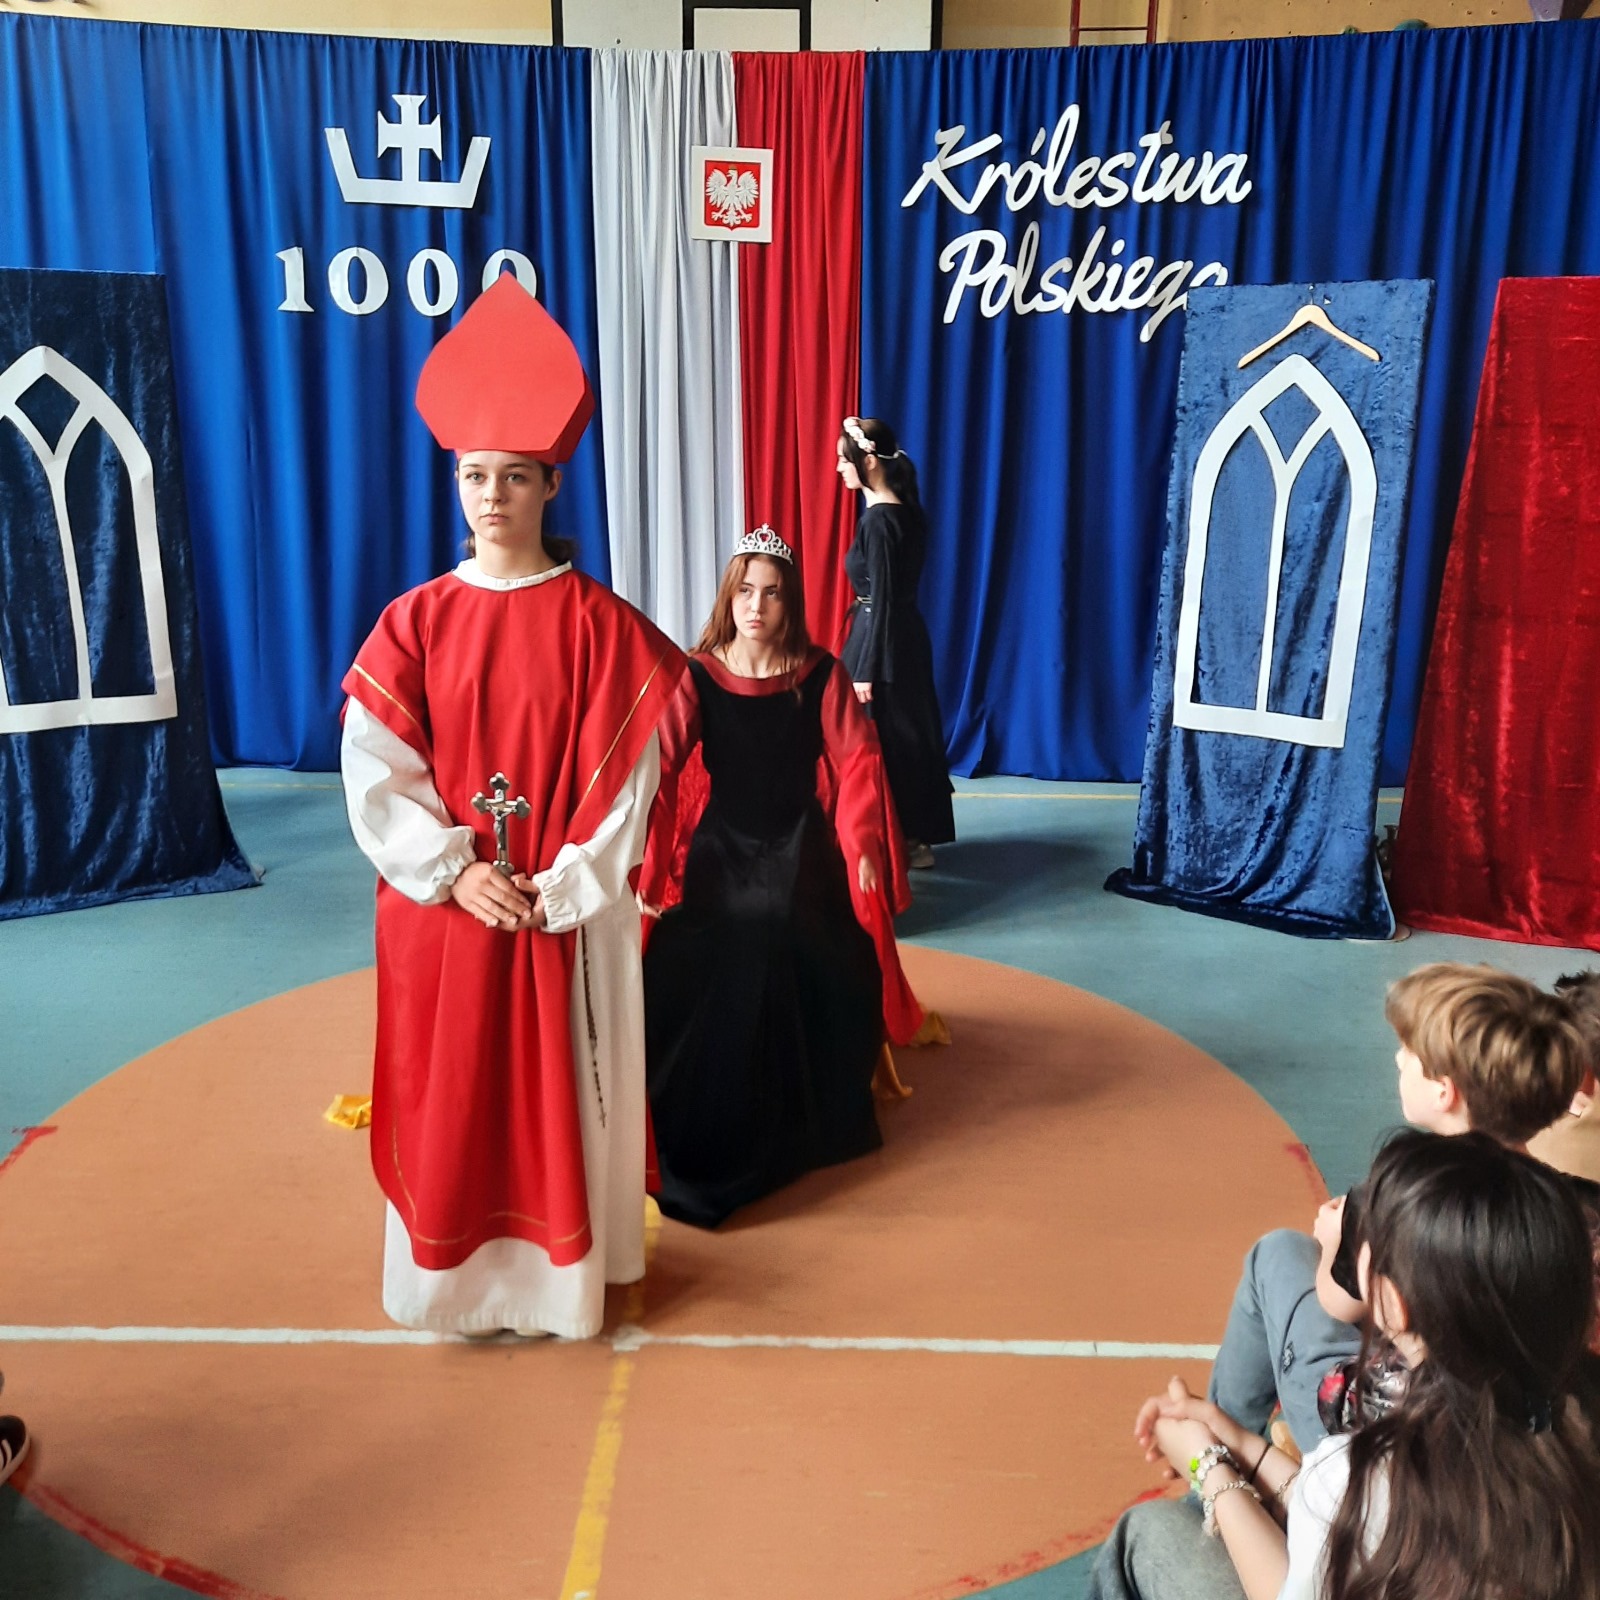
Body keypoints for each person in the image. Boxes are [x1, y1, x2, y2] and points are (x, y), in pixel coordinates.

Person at [340, 275, 685, 1339]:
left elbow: (631, 783)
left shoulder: (601, 627)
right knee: (453, 1097)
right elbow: (376, 770)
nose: (491, 496)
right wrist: (454, 871)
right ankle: (447, 1289)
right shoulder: (414, 623)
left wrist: (566, 884)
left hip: (559, 913)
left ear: (551, 483)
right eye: (473, 475)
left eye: (514, 476)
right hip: (450, 914)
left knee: (557, 1097)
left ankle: (557, 1289)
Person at [1090, 1130, 1600, 1600]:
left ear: (1393, 1303)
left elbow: (1301, 1576)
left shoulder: (1366, 1471)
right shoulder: (1569, 1437)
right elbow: (1346, 1517)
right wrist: (1244, 1446)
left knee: (1146, 1532)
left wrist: (1209, 1467)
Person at [641, 526, 924, 1228]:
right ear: (728, 597)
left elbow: (858, 761)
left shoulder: (819, 675)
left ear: (788, 601)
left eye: (770, 593)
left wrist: (862, 843)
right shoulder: (698, 675)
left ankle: (794, 1106)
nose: (756, 606)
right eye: (745, 591)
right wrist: (641, 855)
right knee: (706, 948)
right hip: (724, 848)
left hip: (802, 846)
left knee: (788, 934)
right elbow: (658, 767)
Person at [1207, 961, 1590, 1452]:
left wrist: (1333, 1242)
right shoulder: (1575, 1202)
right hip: (1532, 1433)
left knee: (1276, 1253)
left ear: (1444, 1091)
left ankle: (1218, 1447)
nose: (1397, 1058)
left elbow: (1338, 1303)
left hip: (1396, 1435)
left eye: (1408, 1052)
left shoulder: (1397, 1197)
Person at [836, 416, 954, 870]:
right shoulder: (904, 512)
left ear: (868, 461)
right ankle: (909, 837)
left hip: (881, 642)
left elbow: (882, 598)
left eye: (844, 460)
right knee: (904, 736)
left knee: (885, 740)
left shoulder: (880, 521)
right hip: (901, 638)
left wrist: (866, 669)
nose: (839, 468)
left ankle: (895, 839)